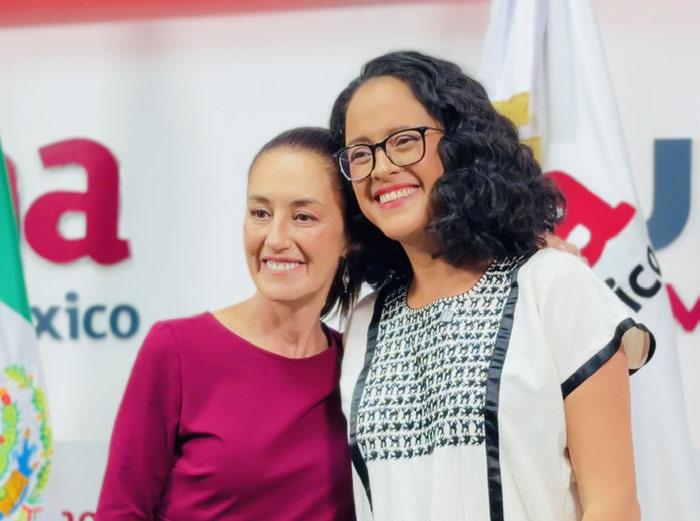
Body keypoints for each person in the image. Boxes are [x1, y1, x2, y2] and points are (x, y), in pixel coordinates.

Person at [330, 51, 654, 521]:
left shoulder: (552, 284)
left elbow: (613, 503)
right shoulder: (364, 322)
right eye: (361, 153)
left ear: (461, 145)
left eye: (403, 141)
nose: (380, 168)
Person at [95, 127, 359, 521]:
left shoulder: (356, 366)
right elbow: (121, 512)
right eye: (260, 213)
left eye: (303, 216)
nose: (275, 238)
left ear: (349, 237)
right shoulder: (177, 349)